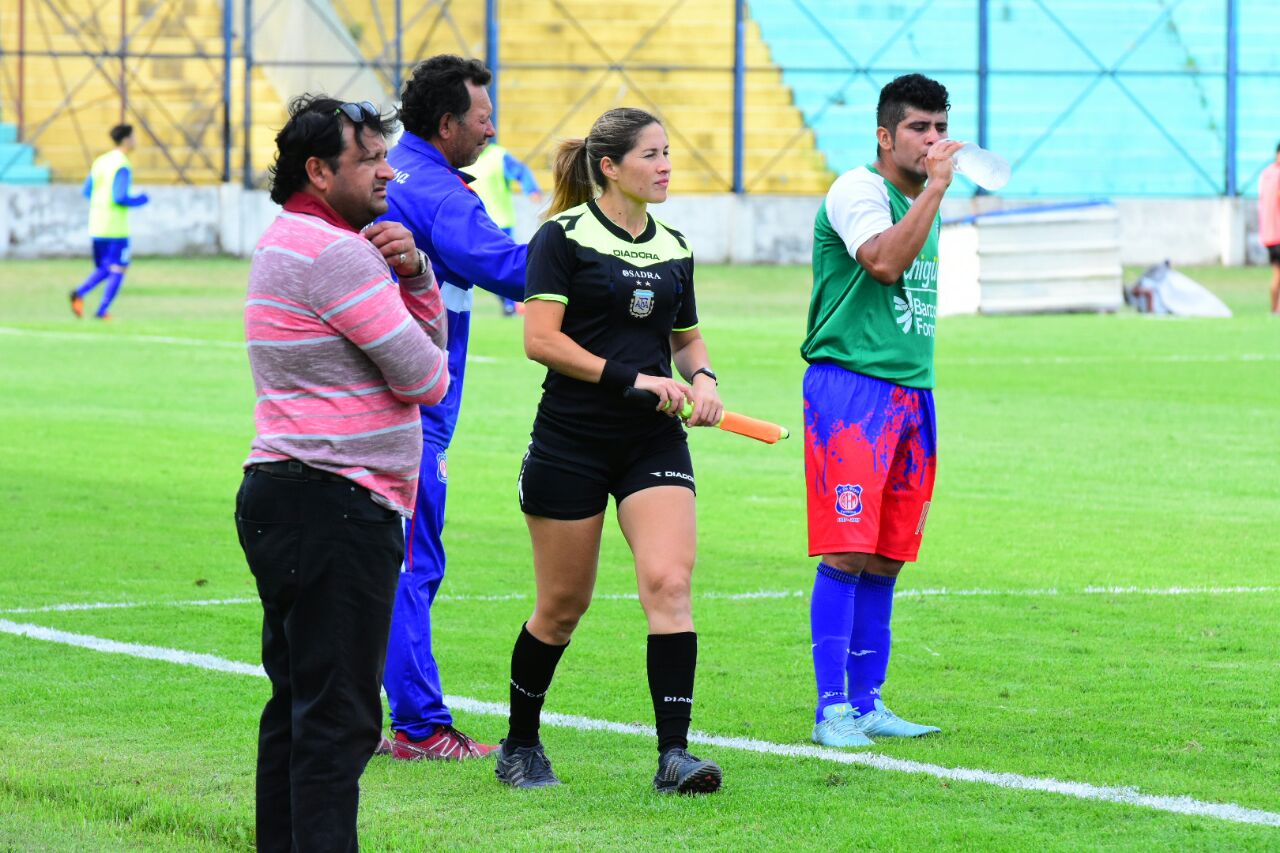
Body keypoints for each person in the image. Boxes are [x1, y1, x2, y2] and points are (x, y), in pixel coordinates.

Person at [235, 94, 449, 851]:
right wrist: (419, 280)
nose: (389, 171)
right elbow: (428, 377)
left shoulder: (288, 238)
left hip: (288, 494)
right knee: (340, 719)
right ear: (320, 171)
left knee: (298, 706)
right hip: (336, 503)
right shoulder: (338, 253)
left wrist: (414, 271)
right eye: (370, 158)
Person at [496, 107, 725, 795]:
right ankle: (520, 743)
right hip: (572, 438)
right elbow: (541, 339)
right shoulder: (560, 237)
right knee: (562, 606)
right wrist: (633, 379)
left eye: (667, 153)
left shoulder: (675, 245)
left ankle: (675, 754)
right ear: (608, 166)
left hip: (651, 439)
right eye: (651, 155)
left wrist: (704, 379)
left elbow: (685, 338)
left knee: (670, 584)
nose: (664, 166)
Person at [801, 73, 963, 748]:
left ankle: (869, 701)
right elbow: (884, 264)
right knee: (846, 546)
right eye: (919, 128)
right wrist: (934, 189)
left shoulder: (920, 197)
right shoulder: (859, 190)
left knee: (890, 553)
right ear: (885, 134)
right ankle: (832, 708)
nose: (932, 140)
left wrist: (929, 193)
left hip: (911, 391)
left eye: (939, 127)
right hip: (852, 391)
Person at [378, 54, 527, 761]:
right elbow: (511, 268)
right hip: (412, 407)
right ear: (447, 124)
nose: (492, 128)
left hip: (382, 401)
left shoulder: (398, 169)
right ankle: (420, 728)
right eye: (483, 116)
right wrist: (597, 254)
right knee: (410, 561)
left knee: (383, 559)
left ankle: (361, 718)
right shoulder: (436, 193)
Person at [70, 124, 149, 319]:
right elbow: (119, 197)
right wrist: (141, 200)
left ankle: (80, 295)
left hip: (96, 223)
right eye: (134, 137)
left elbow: (87, 190)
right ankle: (100, 309)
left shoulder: (101, 161)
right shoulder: (122, 165)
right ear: (126, 140)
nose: (136, 141)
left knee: (106, 268)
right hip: (115, 227)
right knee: (118, 267)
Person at [468, 140, 544, 315]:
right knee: (483, 268)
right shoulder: (462, 156)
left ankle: (511, 304)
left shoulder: (498, 155)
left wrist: (531, 189)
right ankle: (510, 302)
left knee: (501, 265)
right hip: (474, 222)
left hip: (501, 222)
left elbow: (521, 171)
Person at [1257, 141, 1280, 315]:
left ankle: (1274, 309)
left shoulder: (1266, 174)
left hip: (1268, 234)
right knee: (1277, 274)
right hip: (1278, 233)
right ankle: (1274, 309)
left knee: (1276, 272)